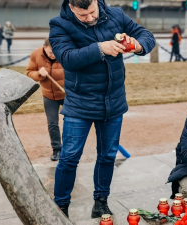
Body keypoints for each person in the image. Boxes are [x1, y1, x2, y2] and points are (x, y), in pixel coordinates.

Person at [49, 0, 155, 219]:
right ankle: (60, 207)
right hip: (80, 104)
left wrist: (137, 45)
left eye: (91, 12)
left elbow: (147, 36)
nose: (88, 18)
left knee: (107, 156)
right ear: (71, 7)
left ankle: (101, 202)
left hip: (113, 102)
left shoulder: (116, 15)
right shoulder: (59, 24)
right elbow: (67, 58)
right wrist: (100, 48)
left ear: (97, 2)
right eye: (82, 15)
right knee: (69, 158)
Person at [26, 38, 65, 162]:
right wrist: (38, 74)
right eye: (50, 53)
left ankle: (70, 149)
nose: (53, 55)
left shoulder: (65, 52)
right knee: (52, 124)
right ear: (44, 48)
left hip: (67, 95)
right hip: (49, 96)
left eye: (55, 52)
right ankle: (57, 149)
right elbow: (29, 73)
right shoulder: (36, 54)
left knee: (72, 121)